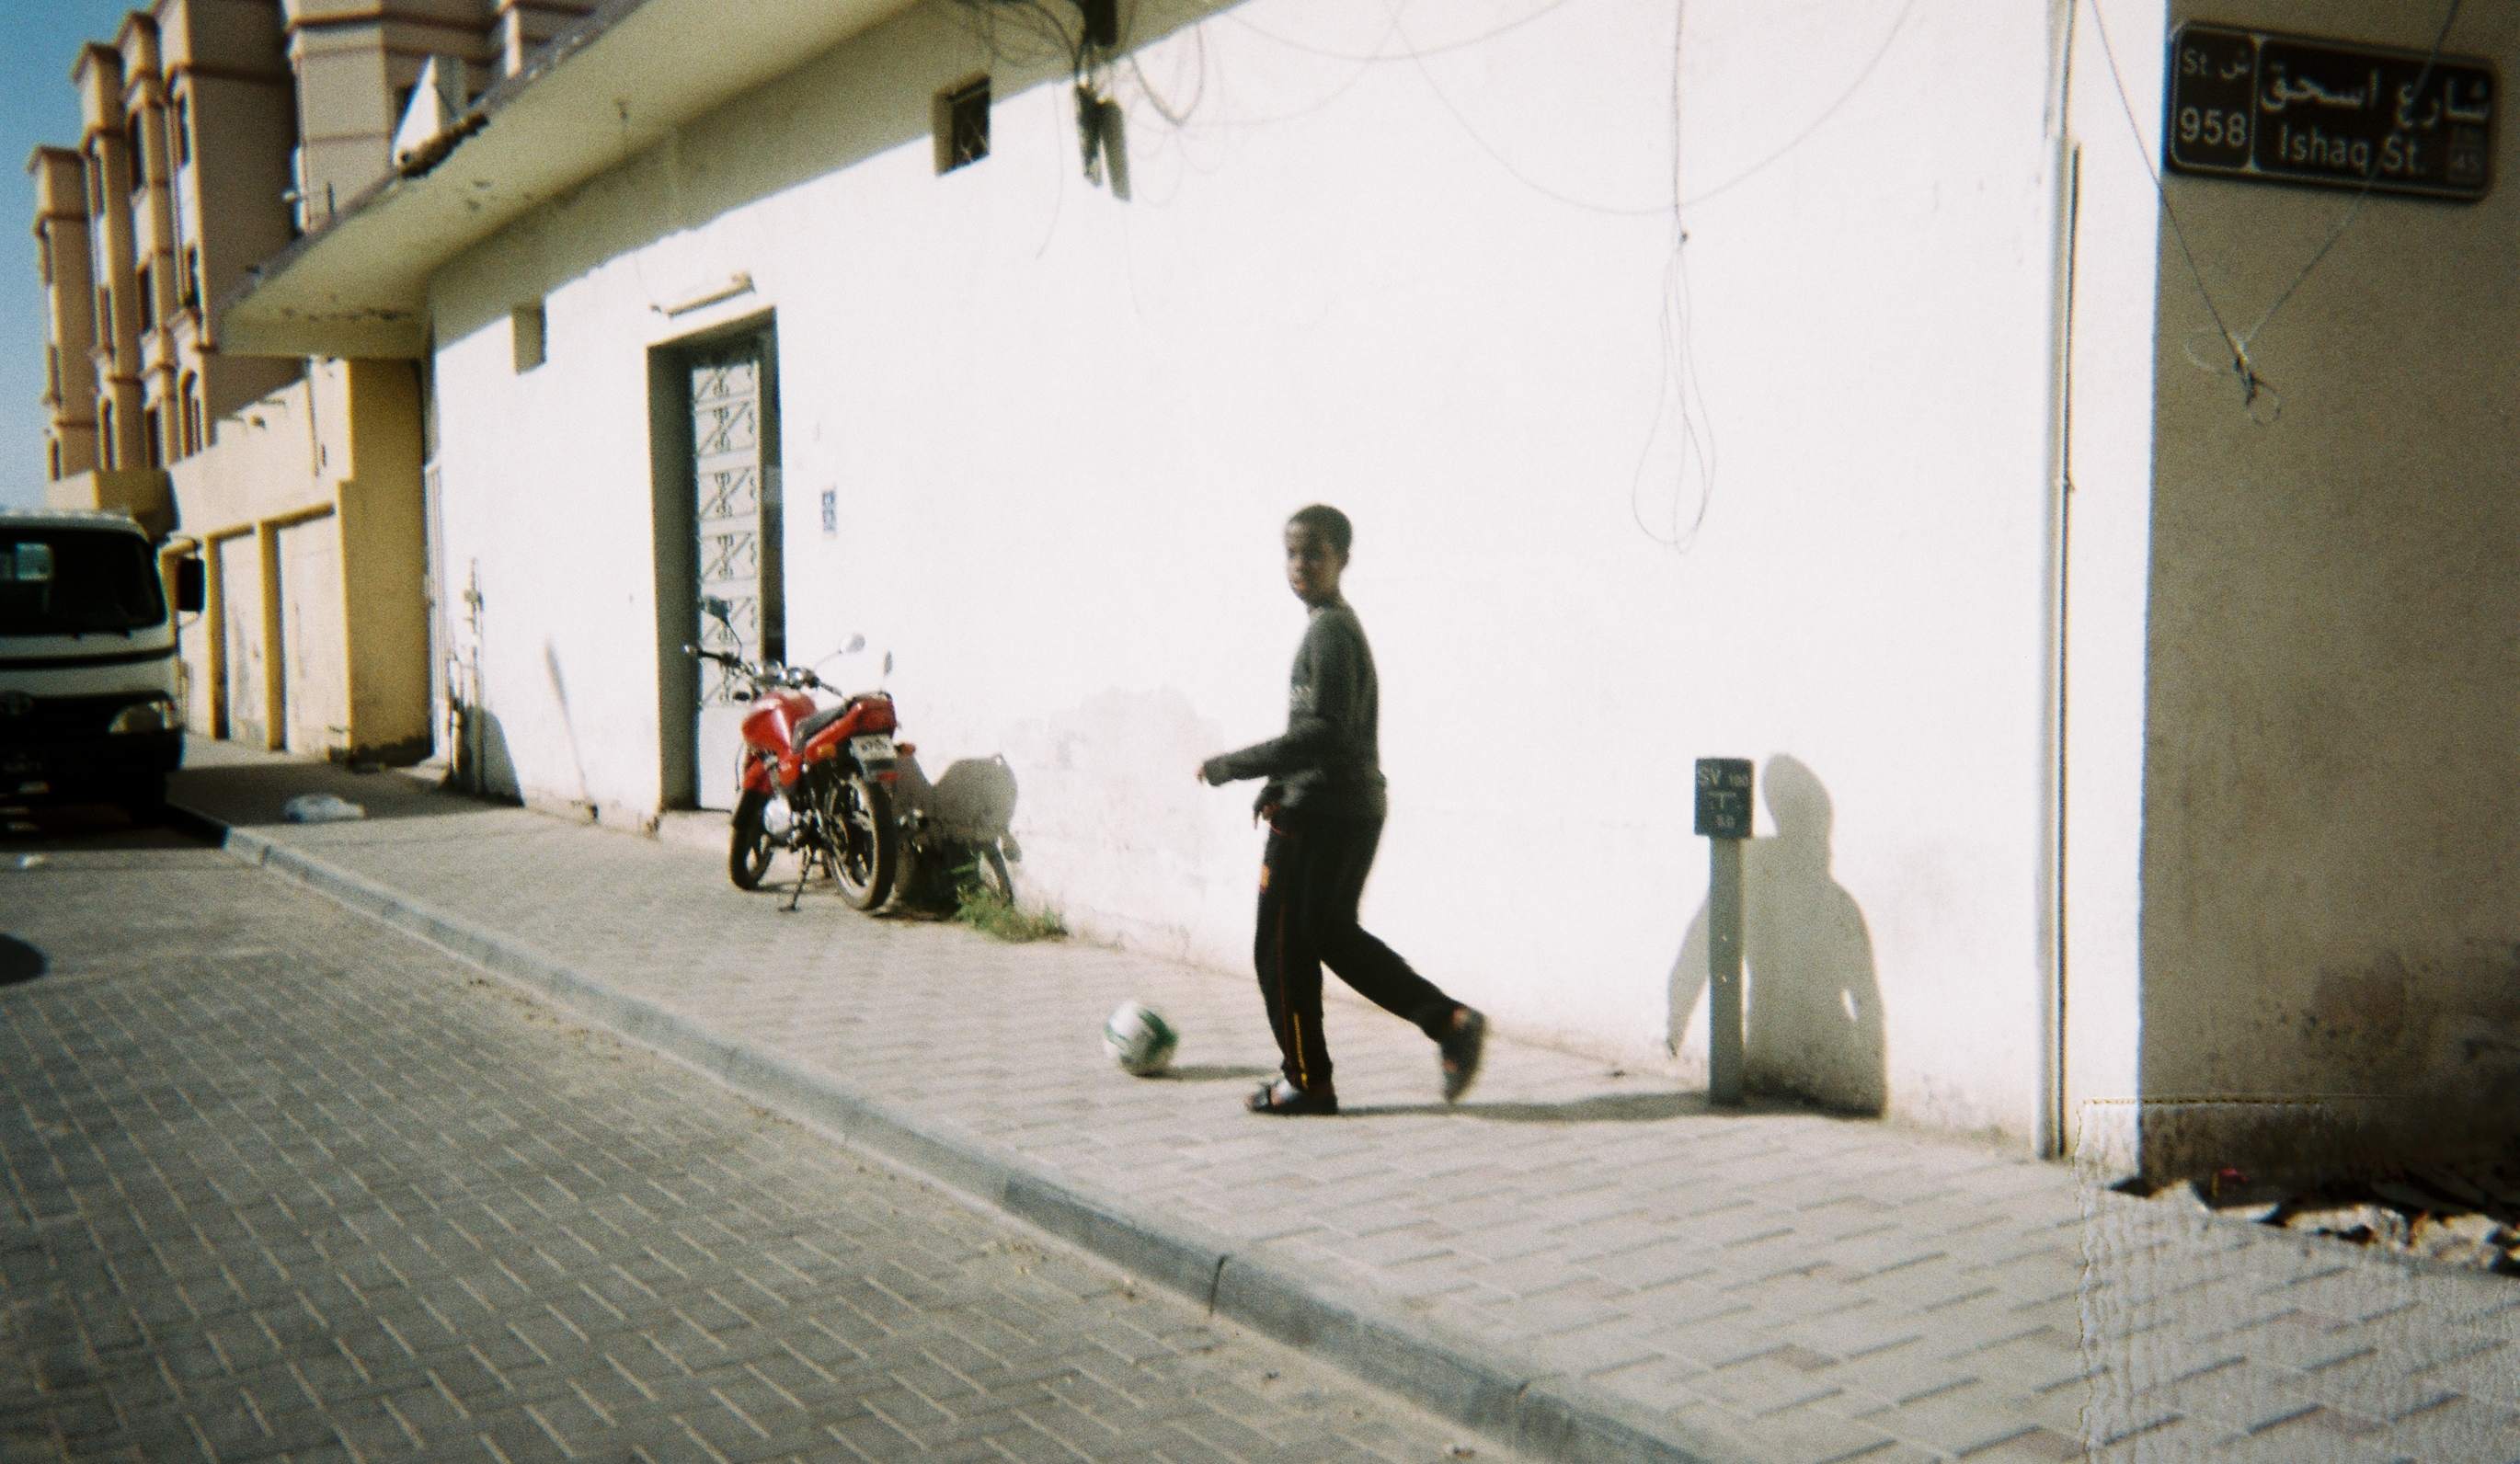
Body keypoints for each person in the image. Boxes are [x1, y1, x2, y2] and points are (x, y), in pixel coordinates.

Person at [1197, 504, 1486, 1115]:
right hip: (1350, 806)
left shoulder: (1329, 632)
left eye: (1315, 553)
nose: (1300, 564)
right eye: (1292, 552)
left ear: (1342, 560)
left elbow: (1324, 732)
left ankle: (1306, 1079)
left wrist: (1233, 765)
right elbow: (1324, 730)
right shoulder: (1333, 628)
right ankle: (1448, 1021)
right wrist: (1278, 780)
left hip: (1321, 816)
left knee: (1281, 949)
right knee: (1332, 935)